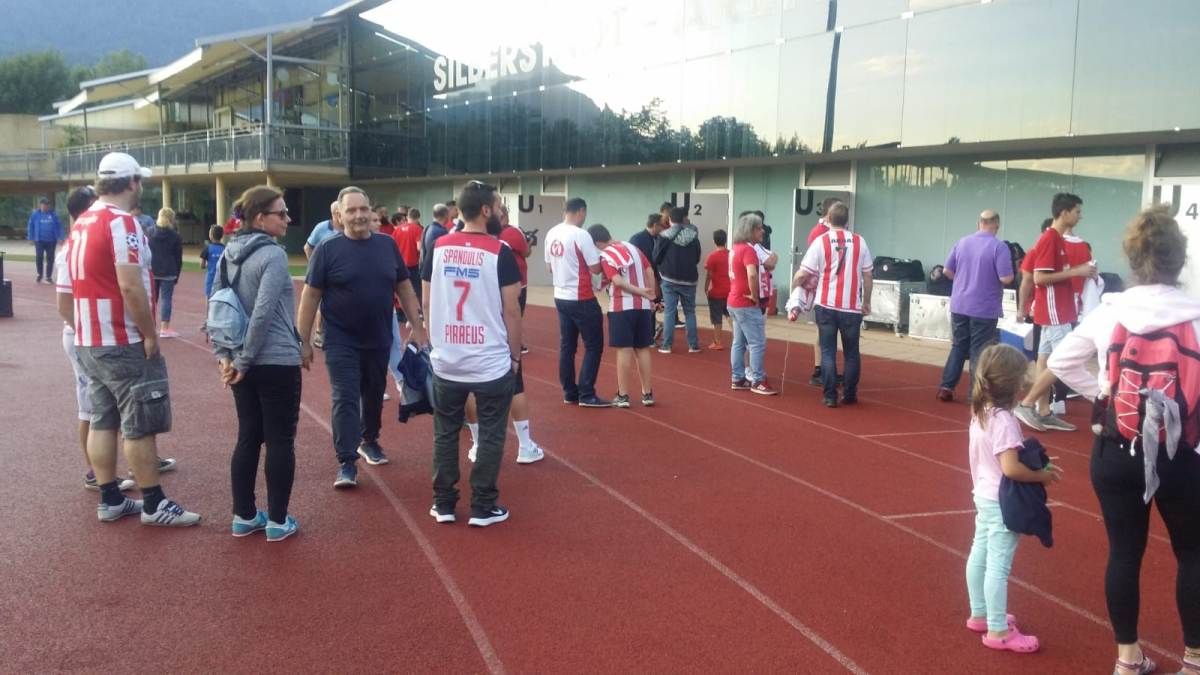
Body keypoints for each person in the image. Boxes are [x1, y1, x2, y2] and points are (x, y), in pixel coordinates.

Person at [1048, 206, 1200, 675]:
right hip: (1181, 453)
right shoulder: (1195, 317)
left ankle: (1128, 659)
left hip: (1118, 448)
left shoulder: (1110, 312)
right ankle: (1194, 661)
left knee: (1124, 553)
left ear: (1132, 260)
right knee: (1192, 553)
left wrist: (1105, 396)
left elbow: (1059, 362)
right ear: (1180, 260)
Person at [67, 152, 199, 527]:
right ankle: (154, 502)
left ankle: (110, 497)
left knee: (102, 419)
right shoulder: (121, 223)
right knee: (138, 421)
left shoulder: (82, 222)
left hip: (89, 337)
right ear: (132, 182)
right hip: (121, 337)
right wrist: (149, 333)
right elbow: (130, 284)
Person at [297, 186, 427, 489]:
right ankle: (346, 461)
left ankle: (369, 439)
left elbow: (404, 287)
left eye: (363, 209)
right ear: (339, 216)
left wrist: (418, 326)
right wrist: (303, 341)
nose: (358, 215)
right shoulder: (327, 249)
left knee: (374, 393)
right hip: (340, 340)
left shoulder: (386, 245)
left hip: (379, 337)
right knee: (345, 396)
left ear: (371, 212)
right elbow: (310, 295)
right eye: (351, 210)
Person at [423, 181, 522, 527]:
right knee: (492, 431)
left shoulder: (437, 247)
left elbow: (427, 300)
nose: (500, 212)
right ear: (485, 210)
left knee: (446, 431)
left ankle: (444, 503)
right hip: (489, 360)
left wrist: (435, 342)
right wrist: (515, 356)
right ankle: (483, 505)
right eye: (498, 206)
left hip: (447, 359)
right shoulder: (500, 251)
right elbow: (512, 310)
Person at [212, 185, 303, 542]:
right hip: (274, 361)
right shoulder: (274, 255)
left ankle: (244, 515)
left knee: (248, 436)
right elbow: (263, 313)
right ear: (261, 218)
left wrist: (227, 357)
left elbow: (217, 306)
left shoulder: (227, 253)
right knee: (280, 439)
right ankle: (278, 521)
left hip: (240, 362)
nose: (287, 219)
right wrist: (244, 359)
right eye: (282, 213)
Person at [964, 344, 1061, 655]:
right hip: (1002, 501)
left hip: (983, 494)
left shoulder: (980, 411)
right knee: (998, 565)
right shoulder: (1004, 420)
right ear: (1016, 384)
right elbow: (1011, 468)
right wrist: (1041, 475)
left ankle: (980, 613)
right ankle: (998, 630)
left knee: (979, 553)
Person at [57, 185, 137, 494]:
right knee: (92, 409)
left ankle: (118, 467)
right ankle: (97, 473)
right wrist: (86, 331)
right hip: (86, 334)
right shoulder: (73, 246)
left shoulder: (85, 239)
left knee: (105, 407)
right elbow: (64, 304)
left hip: (91, 333)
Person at [1013, 193, 1097, 432]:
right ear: (1064, 212)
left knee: (1045, 361)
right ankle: (1027, 404)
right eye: (1077, 211)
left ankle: (1044, 410)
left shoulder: (1056, 239)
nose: (1080, 216)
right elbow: (1038, 278)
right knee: (1064, 361)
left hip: (1056, 311)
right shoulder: (1049, 238)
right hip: (1055, 312)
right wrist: (1077, 271)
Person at [796, 202, 872, 407]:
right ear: (847, 220)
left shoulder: (821, 241)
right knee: (852, 353)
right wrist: (866, 301)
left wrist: (796, 290)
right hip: (851, 306)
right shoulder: (860, 242)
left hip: (826, 304)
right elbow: (867, 275)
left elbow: (803, 273)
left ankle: (830, 395)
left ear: (828, 219)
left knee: (828, 351)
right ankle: (850, 394)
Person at [936, 210, 1015, 402]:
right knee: (979, 350)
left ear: (978, 223)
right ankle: (975, 393)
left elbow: (947, 270)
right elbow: (1006, 278)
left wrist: (963, 279)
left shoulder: (962, 242)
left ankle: (946, 386)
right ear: (996, 224)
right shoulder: (999, 247)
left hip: (960, 303)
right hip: (984, 307)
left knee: (958, 346)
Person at [544, 197, 609, 407]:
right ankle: (586, 393)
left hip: (560, 296)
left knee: (567, 346)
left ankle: (569, 392)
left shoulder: (551, 233)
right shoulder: (581, 235)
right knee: (593, 346)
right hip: (581, 297)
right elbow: (595, 269)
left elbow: (549, 267)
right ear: (581, 211)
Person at [589, 224, 657, 407]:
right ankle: (647, 393)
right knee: (642, 349)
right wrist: (650, 295)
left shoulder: (607, 255)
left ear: (596, 242)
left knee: (624, 350)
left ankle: (623, 395)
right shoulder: (633, 248)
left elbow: (617, 281)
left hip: (621, 306)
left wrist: (639, 292)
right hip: (643, 307)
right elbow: (650, 271)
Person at [728, 213, 776, 395]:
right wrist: (755, 295)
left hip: (734, 300)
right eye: (759, 228)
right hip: (745, 302)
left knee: (739, 342)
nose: (762, 231)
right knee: (757, 343)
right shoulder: (749, 250)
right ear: (751, 230)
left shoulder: (735, 248)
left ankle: (738, 377)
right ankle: (758, 380)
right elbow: (752, 274)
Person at [654, 206, 702, 354]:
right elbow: (697, 257)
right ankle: (693, 346)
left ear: (669, 219)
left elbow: (656, 257)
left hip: (669, 279)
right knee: (690, 312)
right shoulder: (693, 235)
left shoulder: (664, 235)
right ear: (683, 219)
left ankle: (667, 345)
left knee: (669, 312)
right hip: (689, 279)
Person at [806, 197, 843, 386]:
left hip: (831, 288)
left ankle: (825, 369)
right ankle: (820, 370)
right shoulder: (820, 233)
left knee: (826, 332)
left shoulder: (828, 232)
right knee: (823, 332)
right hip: (823, 290)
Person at [495, 203, 532, 353]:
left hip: (497, 279)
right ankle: (515, 344)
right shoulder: (513, 231)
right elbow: (526, 252)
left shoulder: (488, 232)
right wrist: (528, 244)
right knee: (515, 313)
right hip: (517, 280)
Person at [629, 212, 666, 344]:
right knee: (646, 306)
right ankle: (646, 337)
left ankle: (649, 334)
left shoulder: (657, 239)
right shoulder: (637, 239)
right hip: (641, 279)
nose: (663, 229)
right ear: (655, 225)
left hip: (653, 277)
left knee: (652, 307)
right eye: (661, 226)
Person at [149, 207, 183, 339]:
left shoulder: (150, 232)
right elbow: (178, 257)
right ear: (171, 219)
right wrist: (177, 274)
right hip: (169, 270)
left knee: (152, 299)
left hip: (153, 269)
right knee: (166, 299)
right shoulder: (175, 236)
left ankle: (150, 326)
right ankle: (164, 328)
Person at [703, 229, 730, 350]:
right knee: (730, 315)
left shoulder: (712, 257)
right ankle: (740, 339)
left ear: (714, 241)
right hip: (730, 291)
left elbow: (709, 275)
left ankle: (718, 342)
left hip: (716, 292)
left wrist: (706, 287)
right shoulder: (731, 255)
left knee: (716, 318)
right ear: (725, 240)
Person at [392, 207, 424, 305]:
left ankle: (403, 311)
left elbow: (392, 247)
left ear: (407, 217)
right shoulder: (417, 228)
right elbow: (419, 247)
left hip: (399, 265)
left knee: (401, 291)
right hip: (413, 266)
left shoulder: (397, 230)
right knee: (416, 290)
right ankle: (417, 310)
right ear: (418, 218)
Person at [27, 196, 63, 283]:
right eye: (43, 205)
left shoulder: (53, 215)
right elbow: (30, 226)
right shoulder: (35, 215)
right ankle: (39, 274)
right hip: (39, 240)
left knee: (50, 258)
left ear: (48, 206)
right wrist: (30, 238)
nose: (45, 206)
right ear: (40, 205)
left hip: (51, 241)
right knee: (39, 257)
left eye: (47, 205)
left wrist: (60, 237)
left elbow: (59, 226)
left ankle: (48, 276)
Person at [422, 203, 452, 269]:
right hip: (436, 268)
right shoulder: (442, 231)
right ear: (446, 215)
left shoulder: (427, 228)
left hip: (427, 267)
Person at [200, 225, 225, 298]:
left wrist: (209, 265)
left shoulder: (207, 248)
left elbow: (202, 265)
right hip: (221, 280)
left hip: (211, 278)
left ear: (211, 236)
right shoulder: (225, 248)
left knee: (209, 298)